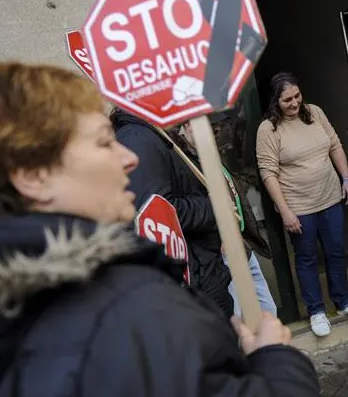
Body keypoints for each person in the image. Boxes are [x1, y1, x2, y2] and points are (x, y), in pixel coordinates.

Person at [0, 62, 320, 397]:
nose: (129, 159)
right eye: (102, 141)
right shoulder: (130, 312)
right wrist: (275, 362)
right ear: (33, 175)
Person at [112, 109, 277, 317]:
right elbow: (163, 211)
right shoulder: (140, 140)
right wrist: (215, 208)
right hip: (207, 265)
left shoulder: (162, 139)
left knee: (265, 315)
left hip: (224, 253)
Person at [256, 72, 348, 337]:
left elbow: (335, 146)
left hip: (330, 197)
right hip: (298, 205)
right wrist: (285, 211)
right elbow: (267, 172)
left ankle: (344, 301)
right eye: (287, 100)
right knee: (306, 259)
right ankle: (316, 311)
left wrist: (346, 178)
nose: (295, 103)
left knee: (336, 251)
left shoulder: (314, 112)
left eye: (297, 96)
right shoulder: (268, 129)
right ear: (275, 101)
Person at [178, 116, 278, 317]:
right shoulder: (181, 161)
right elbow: (188, 211)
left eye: (214, 133)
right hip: (220, 252)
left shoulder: (206, 154)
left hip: (240, 245)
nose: (212, 138)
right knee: (239, 317)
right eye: (208, 131)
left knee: (268, 310)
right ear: (189, 125)